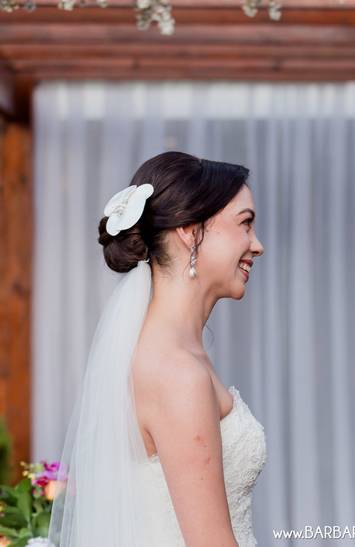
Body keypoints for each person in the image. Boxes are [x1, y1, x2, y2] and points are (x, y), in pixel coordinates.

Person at [49, 151, 267, 546]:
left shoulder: (169, 352)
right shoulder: (176, 371)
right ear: (190, 230)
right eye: (245, 224)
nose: (258, 245)